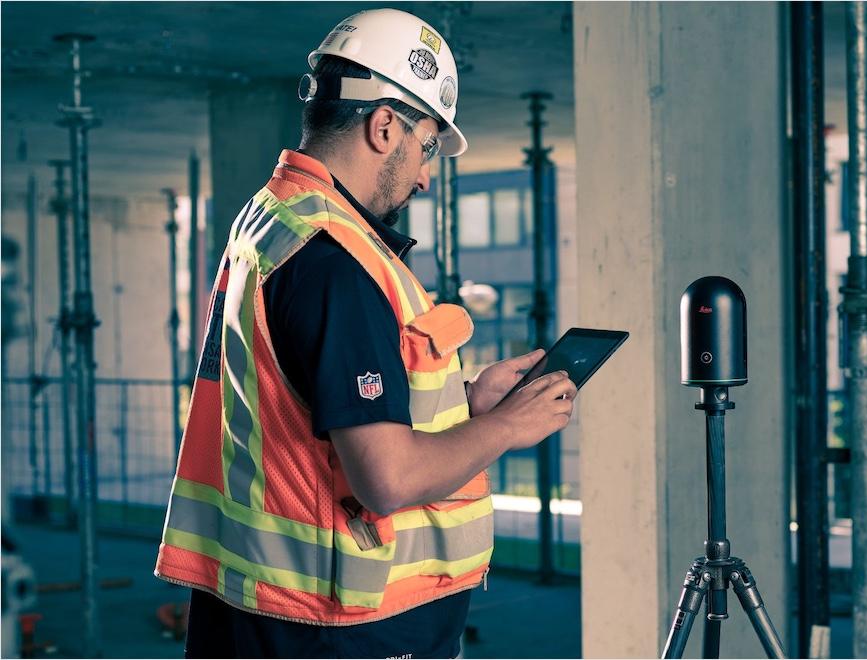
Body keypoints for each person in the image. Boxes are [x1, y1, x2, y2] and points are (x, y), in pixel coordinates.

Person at [154, 8, 576, 658]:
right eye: (427, 145)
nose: (426, 176)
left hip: (258, 605)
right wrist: (510, 427)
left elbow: (302, 406)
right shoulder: (340, 265)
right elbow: (387, 479)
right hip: (338, 620)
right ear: (384, 126)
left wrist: (466, 403)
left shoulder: (269, 219)